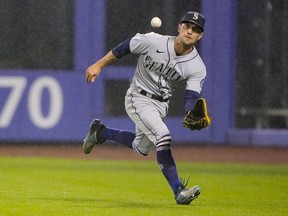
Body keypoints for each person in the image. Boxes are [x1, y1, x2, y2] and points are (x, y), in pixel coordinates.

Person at [83, 11, 209, 205]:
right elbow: (125, 47)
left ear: (200, 36)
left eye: (196, 29)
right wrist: (98, 65)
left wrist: (190, 112)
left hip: (160, 106)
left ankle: (100, 132)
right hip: (138, 97)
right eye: (187, 26)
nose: (190, 31)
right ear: (179, 27)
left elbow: (191, 96)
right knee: (163, 136)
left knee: (141, 148)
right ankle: (179, 191)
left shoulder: (197, 67)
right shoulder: (153, 41)